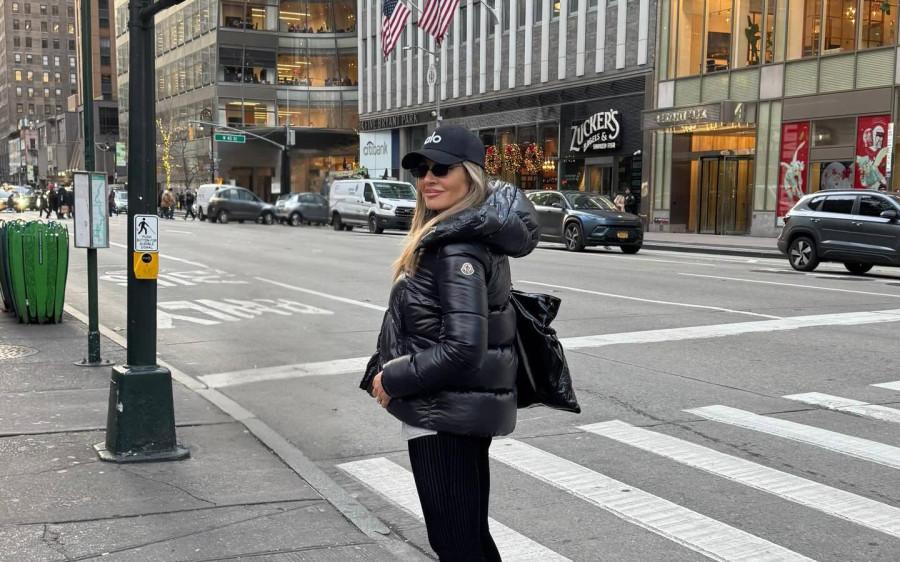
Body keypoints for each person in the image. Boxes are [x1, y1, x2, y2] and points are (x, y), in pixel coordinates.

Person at [369, 125, 540, 561]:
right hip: (457, 409)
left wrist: (393, 379)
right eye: (421, 170)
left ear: (471, 176)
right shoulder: (464, 235)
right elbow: (424, 324)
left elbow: (464, 349)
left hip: (443, 413)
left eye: (442, 169)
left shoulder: (456, 247)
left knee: (457, 545)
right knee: (469, 541)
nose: (428, 179)